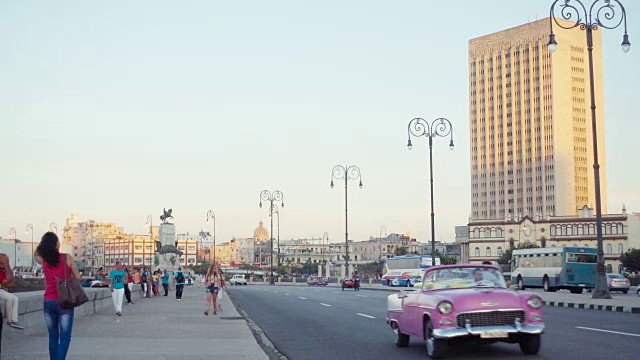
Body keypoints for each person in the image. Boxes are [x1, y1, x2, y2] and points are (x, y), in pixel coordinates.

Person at [34, 232, 82, 360]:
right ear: (56, 244)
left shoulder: (43, 260)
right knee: (65, 337)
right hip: (64, 302)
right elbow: (77, 277)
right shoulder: (67, 258)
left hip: (48, 302)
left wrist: (43, 243)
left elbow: (36, 254)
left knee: (53, 336)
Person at [0, 252, 24, 329]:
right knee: (10, 298)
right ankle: (11, 321)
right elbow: (6, 282)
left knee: (15, 298)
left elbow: (10, 283)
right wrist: (6, 264)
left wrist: (6, 266)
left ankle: (13, 320)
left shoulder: (2, 271)